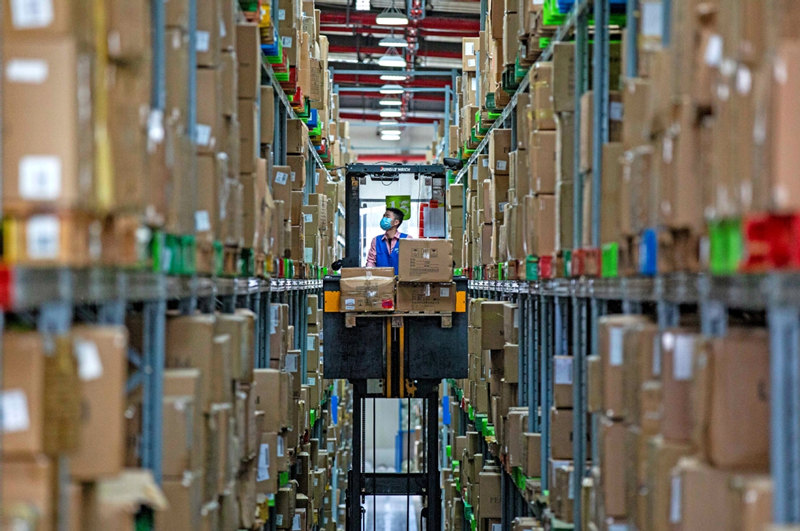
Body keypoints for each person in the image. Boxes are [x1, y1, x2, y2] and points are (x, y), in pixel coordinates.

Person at [366, 207, 410, 273]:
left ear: (396, 222)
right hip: (381, 280)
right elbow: (371, 262)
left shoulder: (407, 239)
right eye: (384, 216)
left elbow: (411, 261)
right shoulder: (376, 240)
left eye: (387, 216)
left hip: (401, 280)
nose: (384, 219)